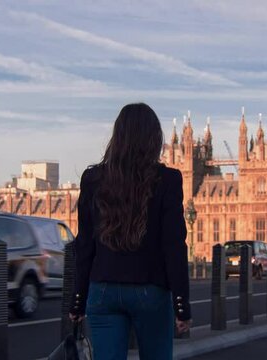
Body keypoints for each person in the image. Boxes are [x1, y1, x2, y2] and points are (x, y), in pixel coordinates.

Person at [69, 103, 192, 359]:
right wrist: (181, 305)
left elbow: (84, 246)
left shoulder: (92, 179)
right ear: (154, 139)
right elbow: (174, 245)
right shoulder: (168, 180)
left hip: (102, 290)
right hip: (150, 290)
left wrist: (78, 300)